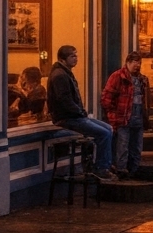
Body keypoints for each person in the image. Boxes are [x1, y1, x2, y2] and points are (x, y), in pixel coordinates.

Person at [46, 45, 115, 182]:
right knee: (104, 133)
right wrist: (80, 112)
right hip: (67, 118)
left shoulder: (65, 73)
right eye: (72, 56)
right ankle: (100, 168)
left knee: (108, 128)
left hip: (74, 116)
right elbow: (64, 100)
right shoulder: (60, 75)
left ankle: (102, 163)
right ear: (62, 59)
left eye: (76, 55)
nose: (76, 59)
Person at [101, 52, 150, 177]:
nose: (137, 65)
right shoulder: (118, 77)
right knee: (122, 147)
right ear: (127, 62)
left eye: (139, 63)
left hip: (138, 119)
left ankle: (134, 170)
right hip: (123, 119)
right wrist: (114, 118)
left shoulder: (142, 79)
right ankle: (121, 171)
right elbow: (106, 99)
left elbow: (145, 101)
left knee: (137, 148)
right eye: (134, 62)